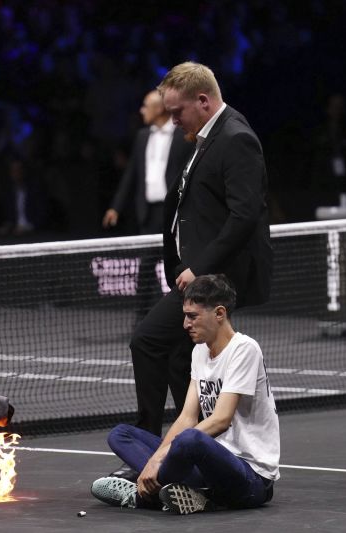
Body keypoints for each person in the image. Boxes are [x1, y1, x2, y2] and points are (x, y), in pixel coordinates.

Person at [111, 62, 272, 482]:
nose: (173, 118)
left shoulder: (236, 138)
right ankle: (199, 451)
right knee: (182, 356)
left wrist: (197, 268)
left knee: (147, 341)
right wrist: (177, 263)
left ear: (203, 101)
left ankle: (151, 443)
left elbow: (244, 215)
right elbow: (185, 208)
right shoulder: (203, 137)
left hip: (218, 278)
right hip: (195, 273)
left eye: (177, 110)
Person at [91, 275, 279, 514]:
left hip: (250, 480)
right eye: (185, 316)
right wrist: (155, 459)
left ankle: (143, 497)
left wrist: (158, 460)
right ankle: (187, 493)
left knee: (190, 440)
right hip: (209, 470)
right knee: (121, 434)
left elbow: (221, 420)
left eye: (193, 316)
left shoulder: (244, 349)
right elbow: (187, 418)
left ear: (219, 313)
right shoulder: (200, 351)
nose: (185, 324)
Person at [102, 90, 194, 235]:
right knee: (147, 256)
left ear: (159, 109)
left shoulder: (184, 135)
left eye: (145, 106)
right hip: (147, 212)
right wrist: (116, 207)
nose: (141, 110)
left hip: (175, 211)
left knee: (175, 255)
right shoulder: (142, 136)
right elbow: (131, 174)